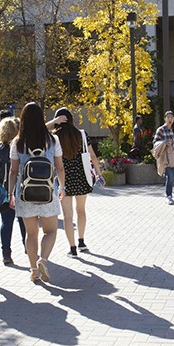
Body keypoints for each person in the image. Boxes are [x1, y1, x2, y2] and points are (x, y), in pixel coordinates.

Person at [8, 102, 67, 284]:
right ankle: (43, 260)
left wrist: (10, 193)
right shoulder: (52, 140)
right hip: (48, 192)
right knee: (50, 231)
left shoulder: (17, 142)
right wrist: (62, 187)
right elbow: (59, 168)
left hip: (25, 194)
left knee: (31, 234)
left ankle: (33, 270)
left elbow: (13, 171)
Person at [52, 108, 99, 256]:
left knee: (67, 215)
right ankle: (81, 241)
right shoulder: (82, 135)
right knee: (81, 210)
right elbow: (92, 155)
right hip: (81, 177)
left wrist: (54, 122)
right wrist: (99, 173)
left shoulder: (54, 137)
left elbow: (40, 129)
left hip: (63, 179)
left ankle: (72, 248)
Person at [0, 116, 26, 266]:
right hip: (20, 188)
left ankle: (6, 253)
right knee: (24, 220)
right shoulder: (19, 146)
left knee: (6, 222)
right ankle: (28, 248)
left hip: (2, 190)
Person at [152, 111, 174, 204]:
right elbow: (155, 142)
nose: (170, 119)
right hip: (164, 156)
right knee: (170, 176)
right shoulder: (160, 130)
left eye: (171, 117)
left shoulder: (172, 130)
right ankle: (168, 196)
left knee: (171, 177)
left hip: (171, 156)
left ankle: (169, 195)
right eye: (168, 117)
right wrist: (164, 142)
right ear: (165, 119)